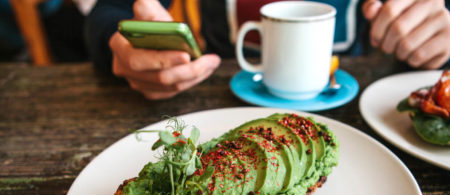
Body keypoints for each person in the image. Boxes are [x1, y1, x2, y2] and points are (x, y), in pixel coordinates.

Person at [85, 0, 450, 100]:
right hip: (215, 101)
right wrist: (118, 43)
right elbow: (110, 12)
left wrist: (440, 32)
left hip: (370, 104)